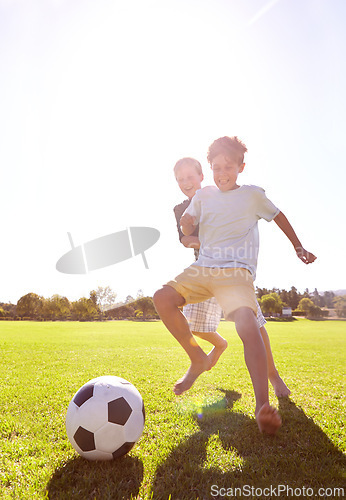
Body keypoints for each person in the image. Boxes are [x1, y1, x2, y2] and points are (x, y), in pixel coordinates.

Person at [153, 136, 316, 434]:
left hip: (236, 272)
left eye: (228, 166)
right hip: (203, 268)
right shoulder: (202, 196)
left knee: (248, 322)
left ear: (241, 167)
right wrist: (187, 225)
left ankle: (262, 405)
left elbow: (278, 216)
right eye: (217, 167)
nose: (222, 172)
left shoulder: (252, 195)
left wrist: (298, 247)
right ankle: (197, 359)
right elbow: (187, 225)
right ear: (210, 169)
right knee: (162, 297)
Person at [173, 157, 290, 397]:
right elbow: (184, 239)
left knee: (254, 326)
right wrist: (204, 241)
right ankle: (218, 345)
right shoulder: (181, 208)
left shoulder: (223, 196)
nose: (186, 182)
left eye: (190, 177)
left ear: (202, 176)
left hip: (233, 270)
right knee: (193, 324)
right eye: (180, 179)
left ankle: (274, 377)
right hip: (202, 269)